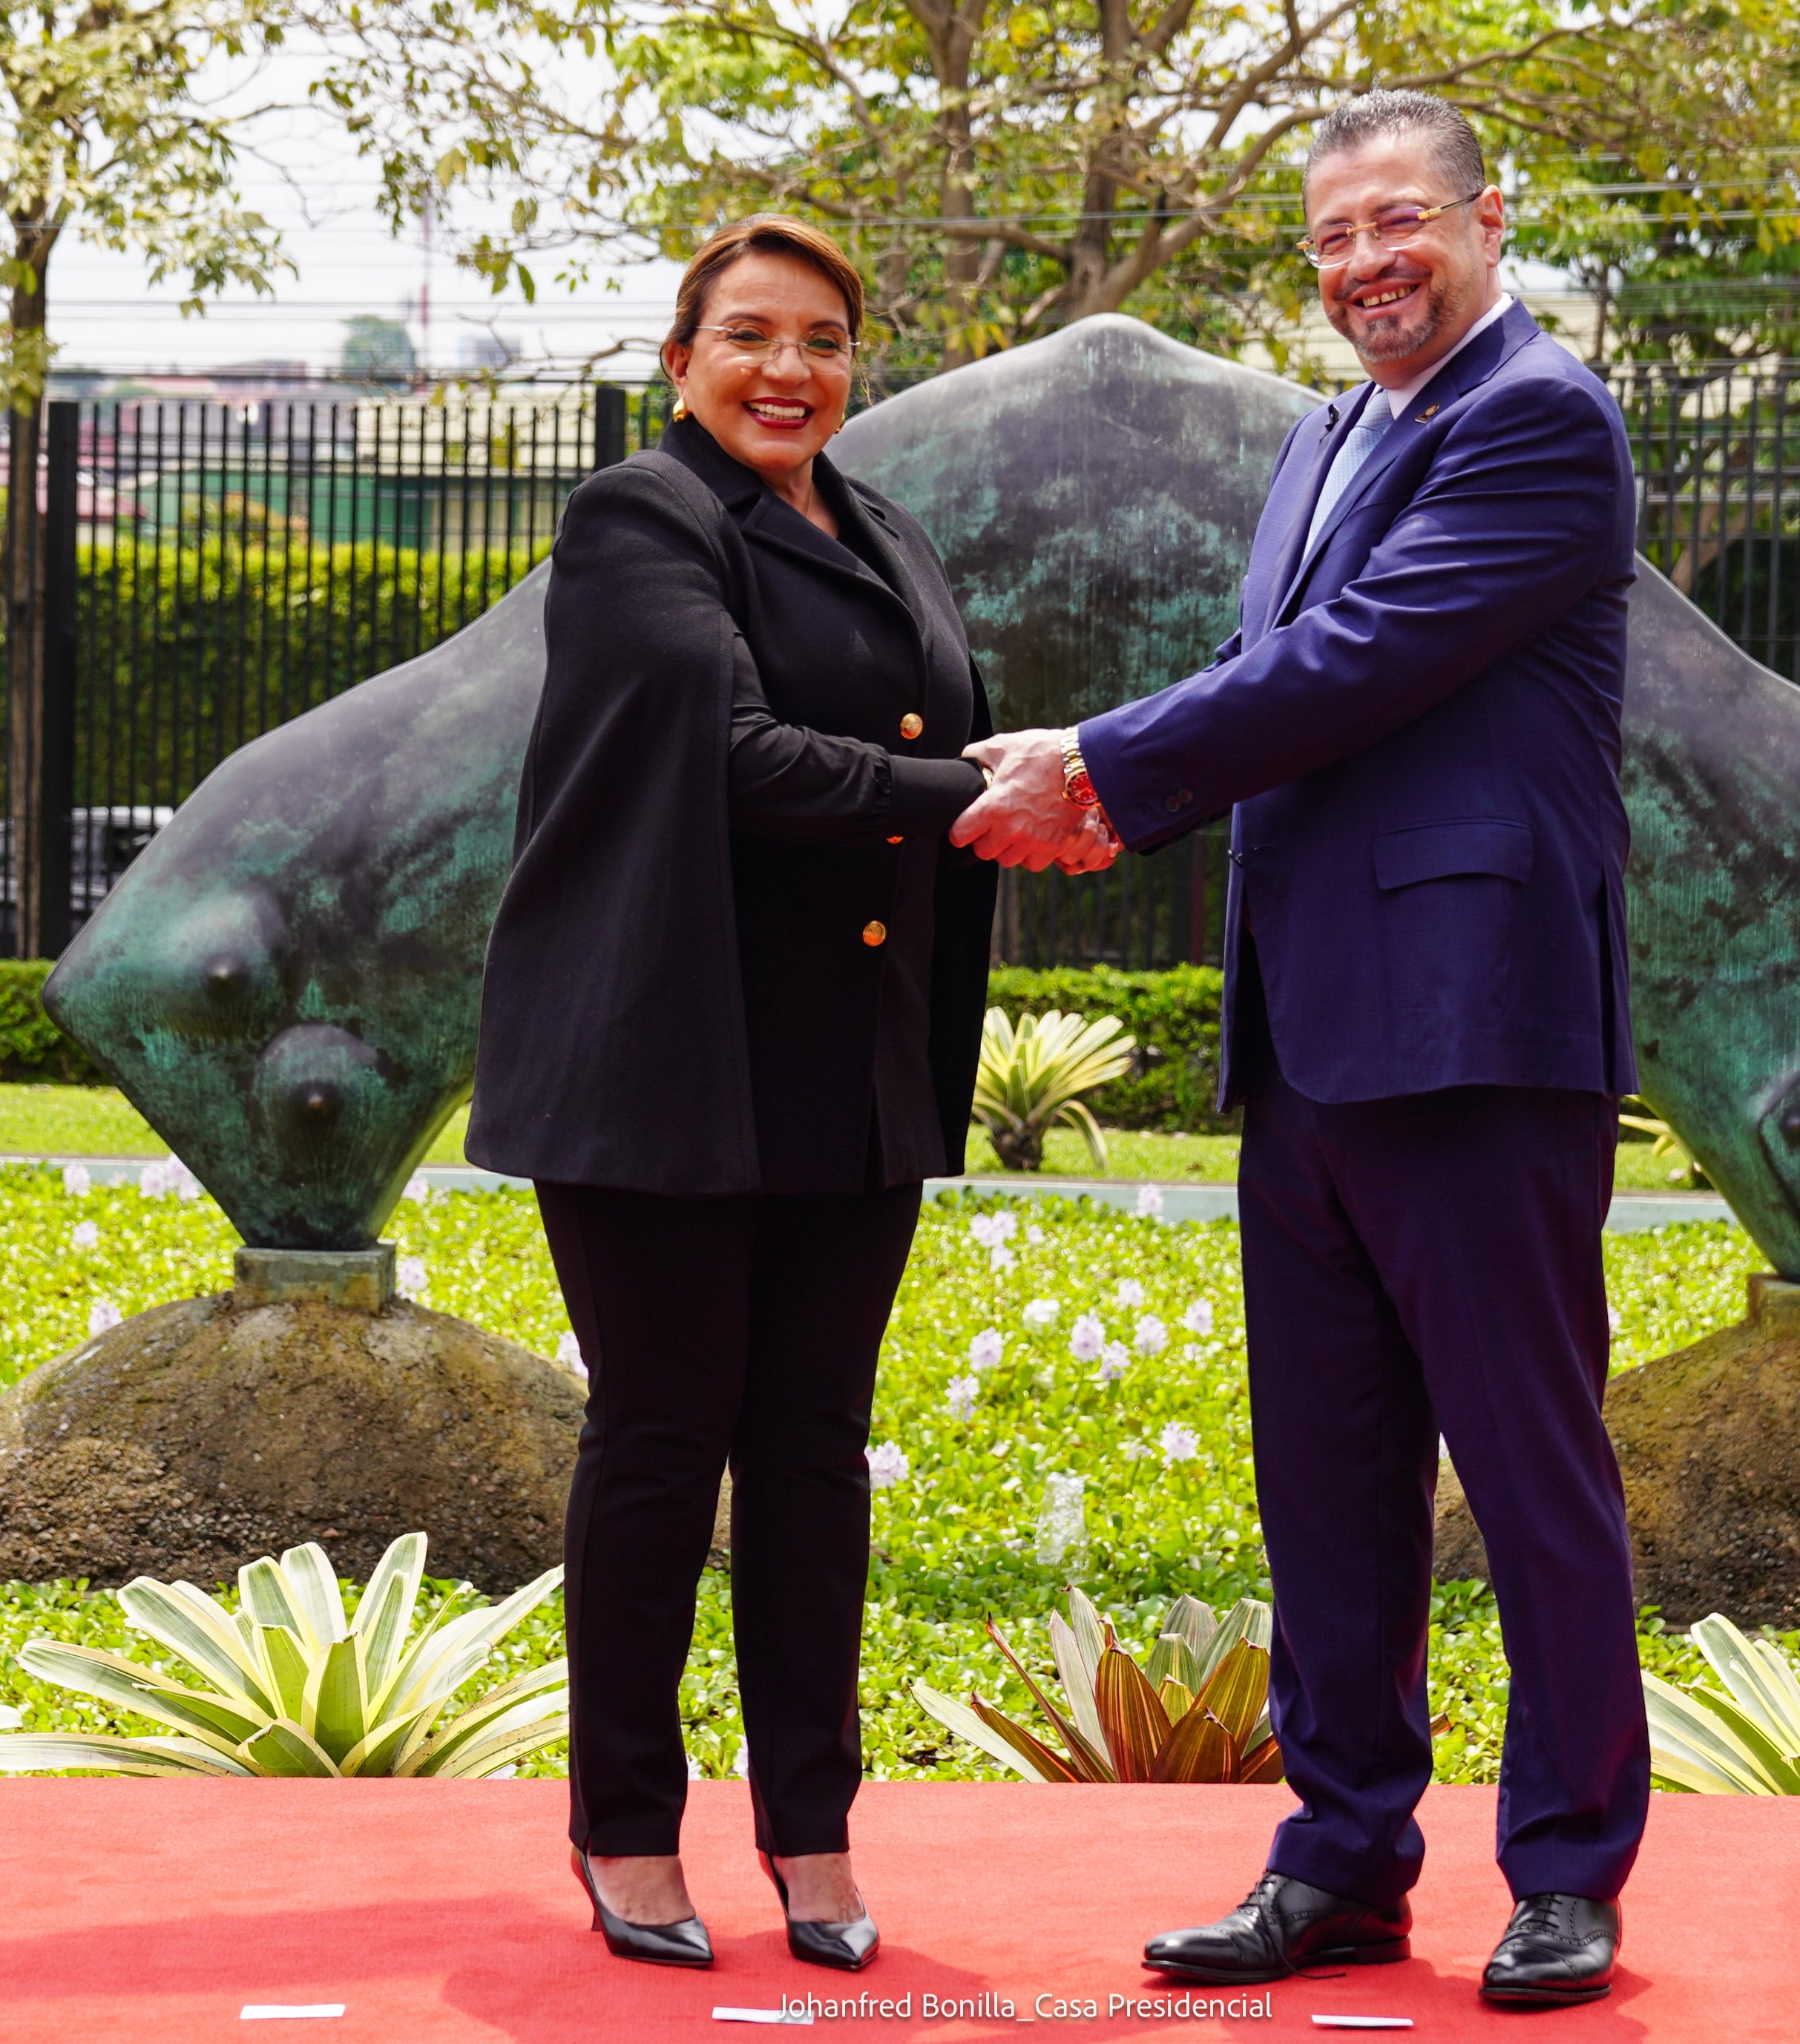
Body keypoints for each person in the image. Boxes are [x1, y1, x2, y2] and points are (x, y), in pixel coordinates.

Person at [952, 90, 1646, 2010]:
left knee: (1527, 1477)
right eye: (1331, 240)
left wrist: (1098, 764)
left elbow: (1349, 664)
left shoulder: (1538, 422)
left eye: (1397, 222)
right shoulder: (1329, 433)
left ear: (1487, 218)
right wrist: (1122, 765)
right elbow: (1288, 699)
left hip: (1480, 1036)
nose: (1362, 267)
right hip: (1314, 1041)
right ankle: (1339, 1858)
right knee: (1324, 1487)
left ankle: (1568, 1870)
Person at [467, 214, 1011, 1975]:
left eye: (829, 339)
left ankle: (812, 1827)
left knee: (809, 1458)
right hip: (666, 1058)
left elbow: (939, 730)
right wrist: (975, 802)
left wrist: (1021, 776)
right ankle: (626, 1823)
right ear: (684, 354)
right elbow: (727, 747)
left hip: (846, 1068)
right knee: (660, 1438)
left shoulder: (884, 524)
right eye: (754, 335)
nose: (793, 370)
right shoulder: (640, 518)